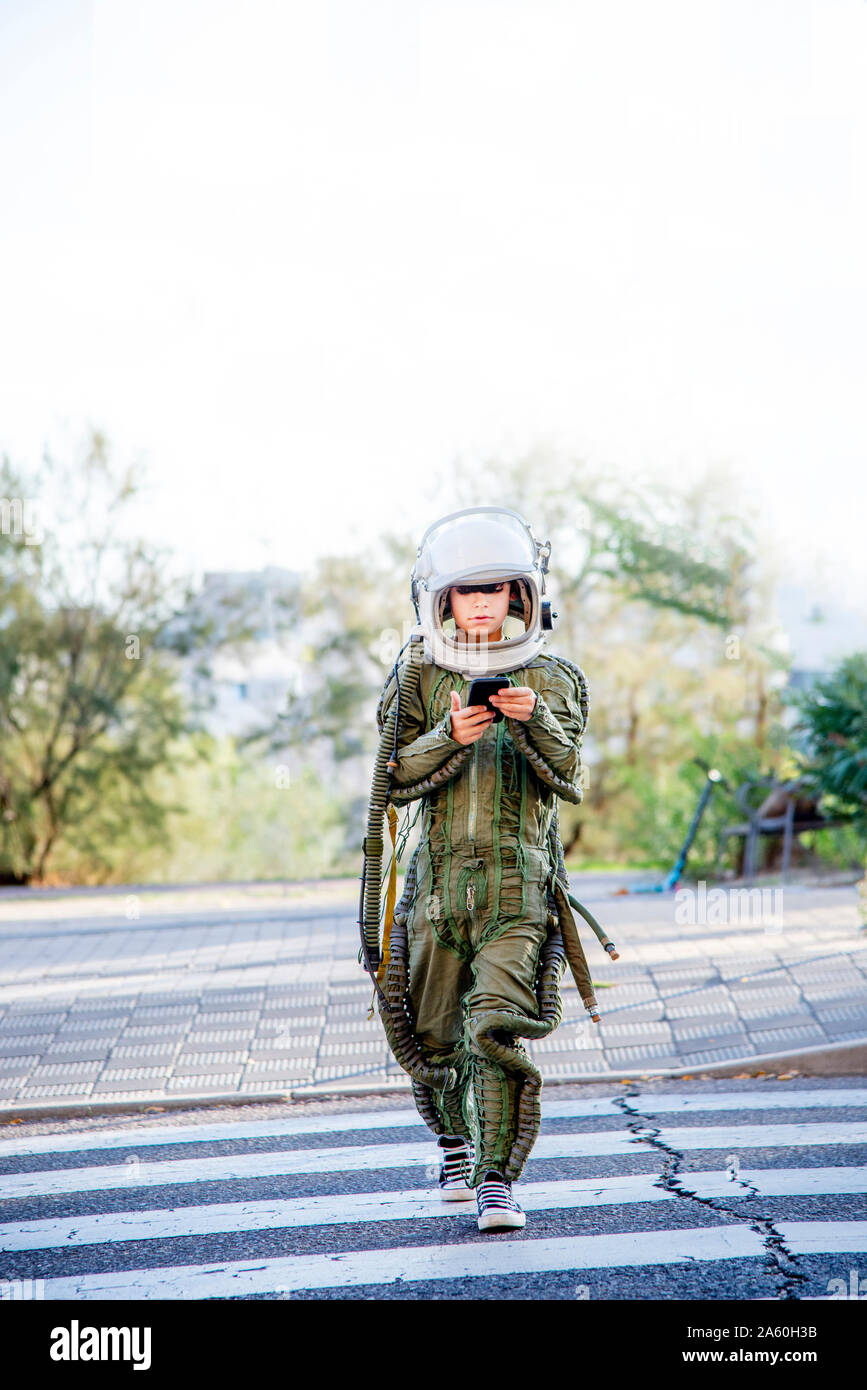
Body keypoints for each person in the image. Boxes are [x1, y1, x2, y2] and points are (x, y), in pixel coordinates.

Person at [367, 507, 593, 1233]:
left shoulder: (553, 678)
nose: (485, 604)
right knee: (431, 1039)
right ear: (441, 600)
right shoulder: (416, 678)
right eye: (470, 592)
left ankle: (498, 1180)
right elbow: (389, 780)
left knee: (494, 1026)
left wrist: (535, 721)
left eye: (499, 589)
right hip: (434, 895)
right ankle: (454, 1144)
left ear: (524, 596)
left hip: (516, 893)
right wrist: (447, 735)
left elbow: (570, 777)